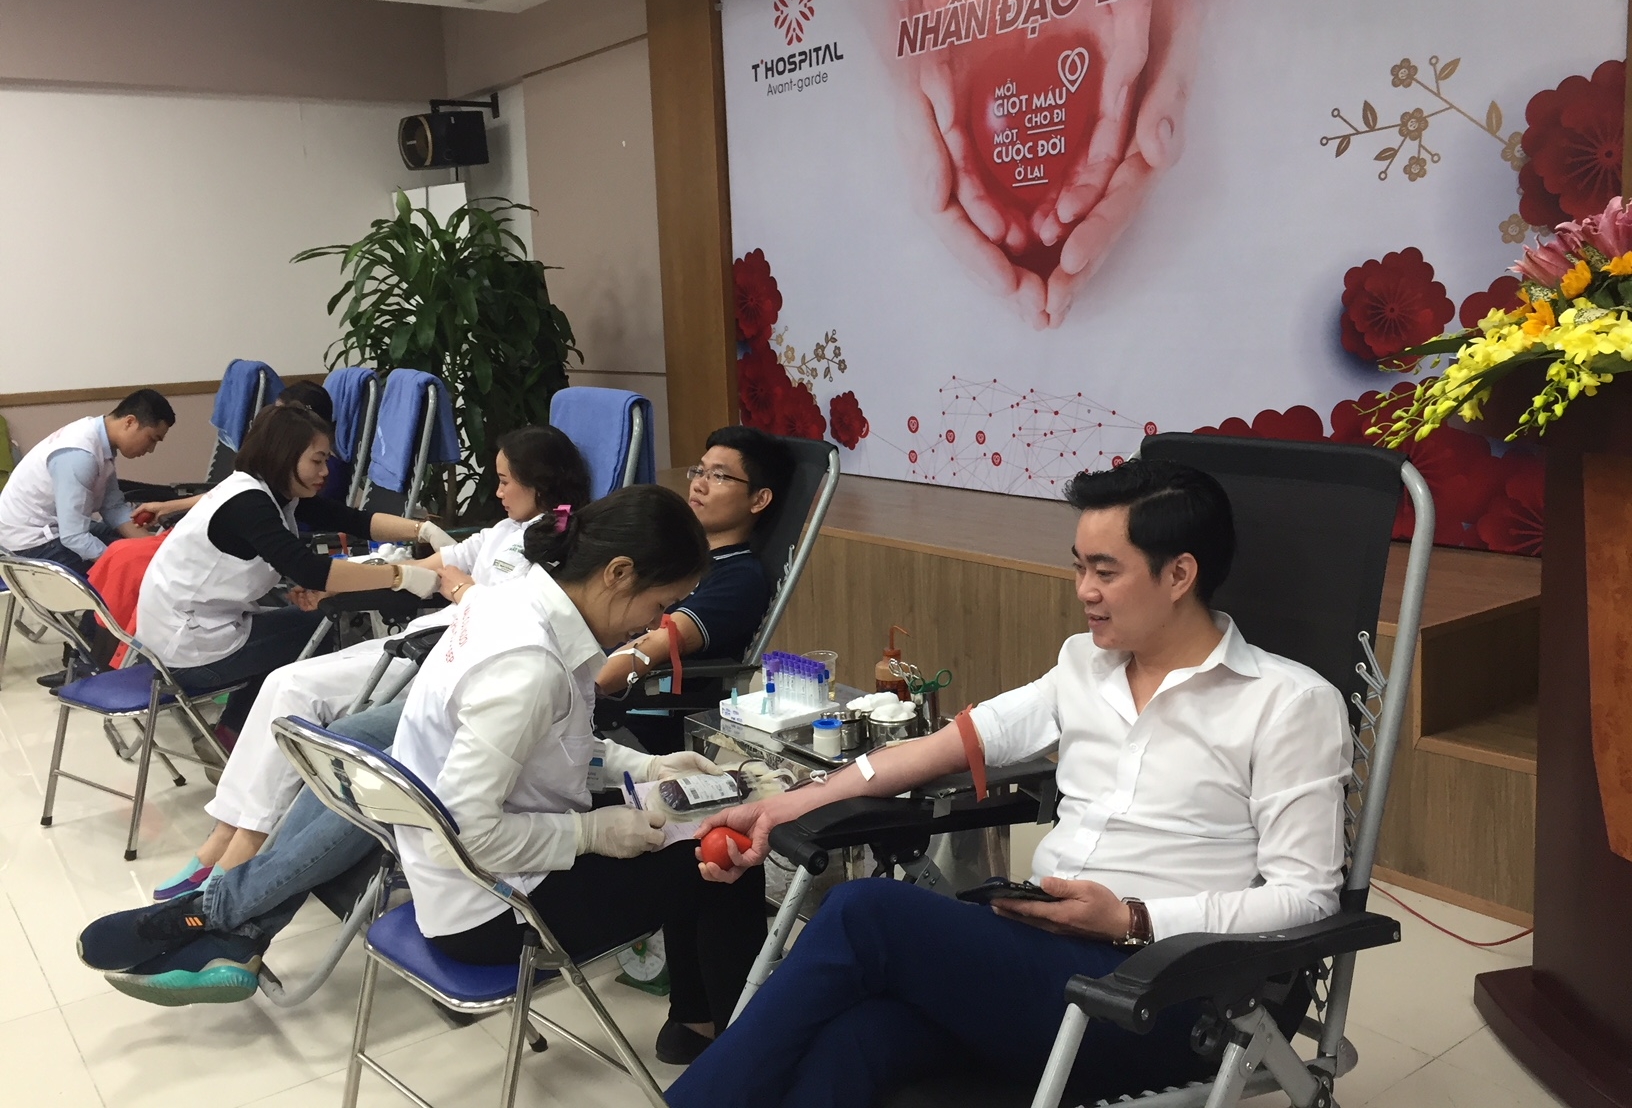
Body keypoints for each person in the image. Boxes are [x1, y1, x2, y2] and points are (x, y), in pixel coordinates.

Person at [665, 459, 1352, 1108]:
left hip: (1164, 996)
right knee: (859, 1040)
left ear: (1179, 574)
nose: (1084, 591)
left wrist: (1131, 918)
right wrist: (794, 801)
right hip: (1042, 955)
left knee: (862, 913)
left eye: (1105, 571)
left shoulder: (1287, 704)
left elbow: (1307, 899)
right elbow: (955, 743)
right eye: (1079, 567)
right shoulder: (1085, 663)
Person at [82, 486, 770, 1066]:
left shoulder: (511, 604)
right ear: (618, 573)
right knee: (730, 858)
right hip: (492, 910)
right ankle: (731, 1055)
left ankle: (697, 1028)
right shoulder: (529, 664)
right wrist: (594, 832)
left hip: (461, 874)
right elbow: (470, 833)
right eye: (660, 605)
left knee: (696, 833)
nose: (654, 624)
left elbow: (546, 746)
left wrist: (643, 764)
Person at [148, 425, 592, 901]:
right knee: (283, 682)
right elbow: (427, 568)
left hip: (454, 658)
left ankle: (237, 857)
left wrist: (460, 587)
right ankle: (222, 839)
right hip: (427, 635)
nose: (497, 492)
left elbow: (522, 623)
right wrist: (359, 581)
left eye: (504, 481)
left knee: (297, 693)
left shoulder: (559, 546)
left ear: (539, 483)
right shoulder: (501, 531)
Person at [135, 402, 450, 736]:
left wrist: (422, 530)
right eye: (317, 460)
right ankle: (250, 733)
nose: (325, 471)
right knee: (318, 628)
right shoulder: (248, 504)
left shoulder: (267, 491)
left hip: (175, 636)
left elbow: (354, 521)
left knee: (300, 626)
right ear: (284, 456)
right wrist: (401, 575)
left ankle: (235, 730)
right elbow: (310, 570)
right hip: (188, 654)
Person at [602, 424, 795, 752]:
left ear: (759, 499)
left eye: (718, 476)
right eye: (699, 471)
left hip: (631, 721)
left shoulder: (739, 579)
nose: (699, 484)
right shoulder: (673, 555)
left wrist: (571, 691)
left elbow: (655, 646)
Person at [0, 388, 172, 576]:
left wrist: (154, 550)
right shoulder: (81, 455)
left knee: (132, 551)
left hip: (56, 529)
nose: (151, 449)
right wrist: (121, 563)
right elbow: (74, 537)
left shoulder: (98, 438)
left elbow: (113, 507)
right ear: (130, 422)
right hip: (29, 545)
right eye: (152, 439)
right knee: (131, 568)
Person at [129, 380, 337, 524]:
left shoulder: (309, 481)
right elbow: (229, 496)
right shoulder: (267, 484)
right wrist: (169, 507)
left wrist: (170, 507)